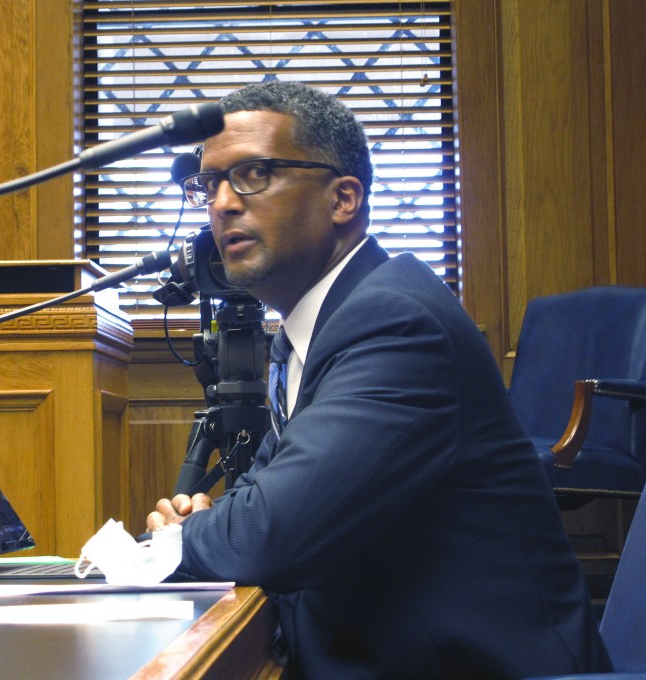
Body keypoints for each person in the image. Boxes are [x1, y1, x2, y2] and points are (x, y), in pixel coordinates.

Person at [147, 80, 611, 679]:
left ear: (344, 198)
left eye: (254, 174)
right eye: (208, 183)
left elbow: (264, 537)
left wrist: (179, 542)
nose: (222, 203)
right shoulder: (305, 335)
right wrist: (210, 522)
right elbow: (260, 503)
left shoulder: (395, 321)